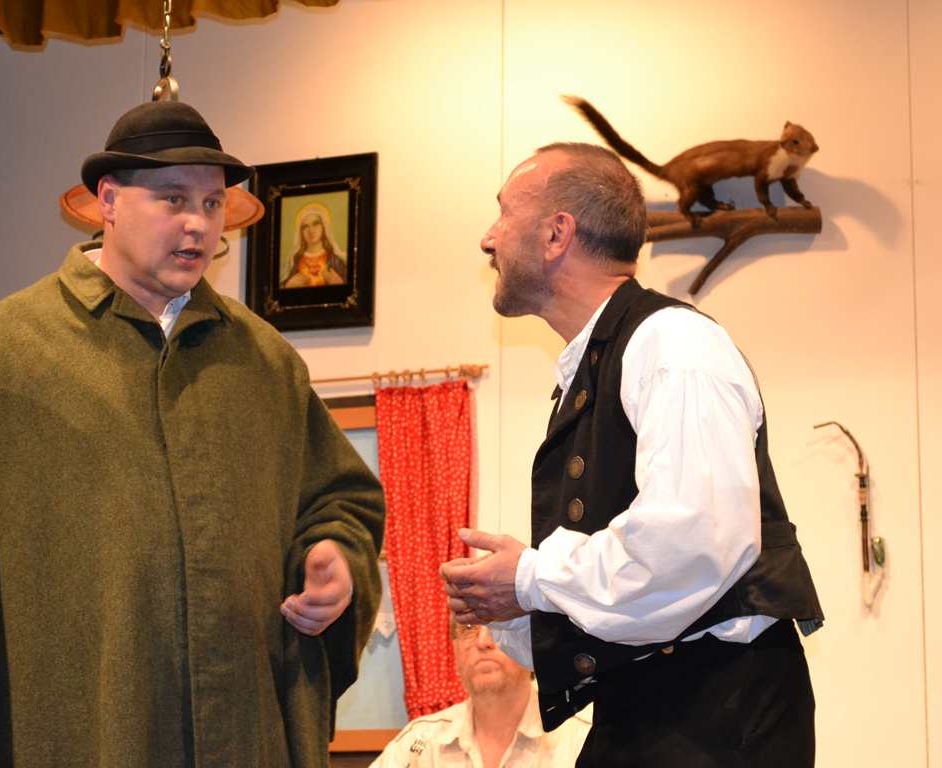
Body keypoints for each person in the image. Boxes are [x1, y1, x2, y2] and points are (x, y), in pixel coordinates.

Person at [0, 101, 385, 767]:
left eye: (212, 203)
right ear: (108, 200)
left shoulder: (263, 363)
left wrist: (336, 556)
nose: (196, 223)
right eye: (172, 198)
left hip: (241, 732)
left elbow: (339, 499)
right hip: (68, 729)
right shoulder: (5, 354)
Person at [440, 142, 823, 767]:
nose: (489, 237)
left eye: (505, 213)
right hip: (650, 710)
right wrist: (511, 602)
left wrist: (532, 577)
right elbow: (633, 601)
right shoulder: (601, 363)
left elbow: (690, 545)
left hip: (715, 716)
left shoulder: (673, 345)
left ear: (556, 234)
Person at [371, 618, 589, 767]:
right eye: (468, 628)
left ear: (531, 643)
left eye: (501, 626)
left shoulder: (581, 740)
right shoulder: (419, 745)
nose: (483, 642)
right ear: (454, 647)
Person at [282, 202, 348, 288]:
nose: (311, 230)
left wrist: (337, 283)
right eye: (305, 226)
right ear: (300, 232)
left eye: (315, 224)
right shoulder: (294, 260)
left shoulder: (334, 259)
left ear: (323, 227)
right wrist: (290, 285)